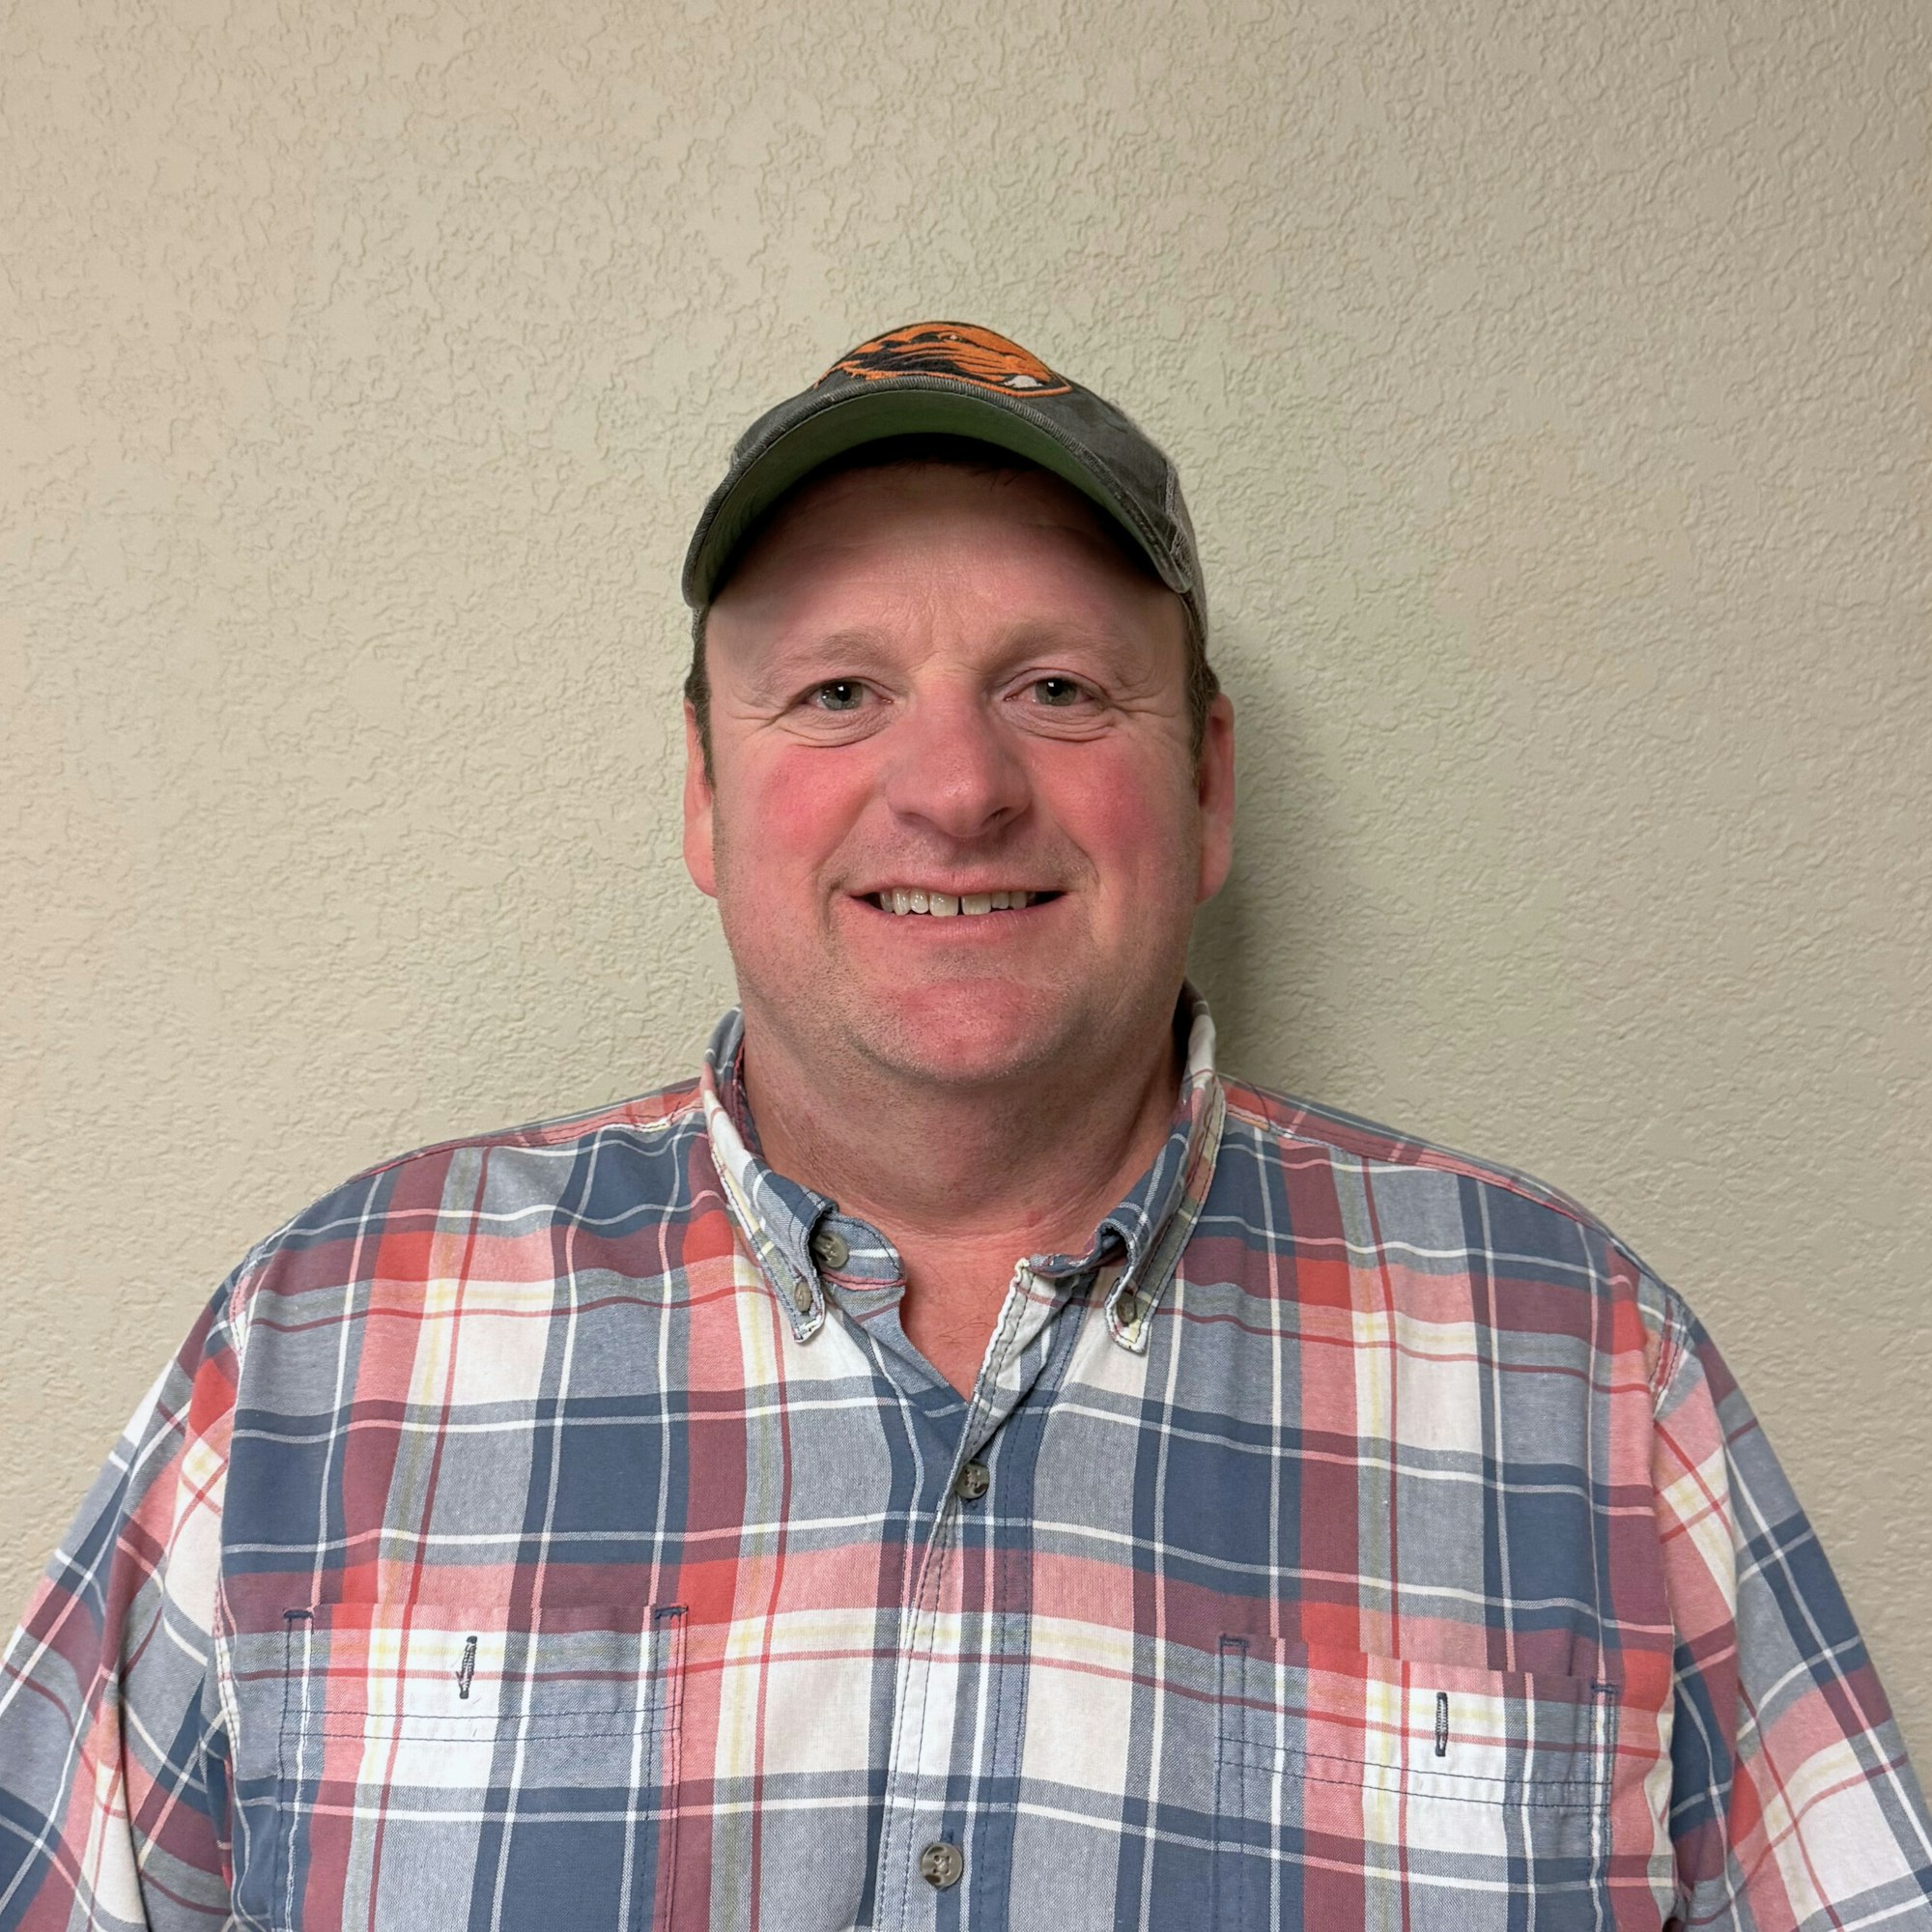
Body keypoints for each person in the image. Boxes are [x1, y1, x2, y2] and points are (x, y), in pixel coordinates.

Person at [1, 320, 1925, 1932]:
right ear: (702, 792)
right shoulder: (328, 1346)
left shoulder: (1577, 1363)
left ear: (1207, 786)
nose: (954, 786)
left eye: (1058, 689)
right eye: (839, 691)